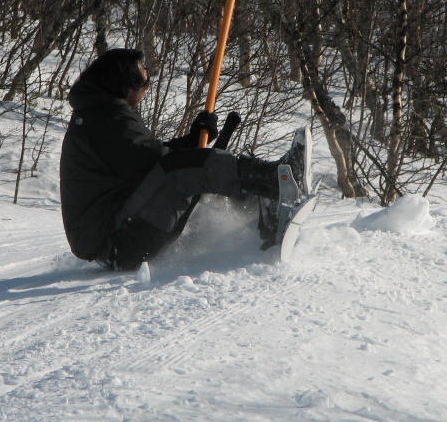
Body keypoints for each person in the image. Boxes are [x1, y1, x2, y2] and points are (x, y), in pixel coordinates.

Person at [59, 48, 304, 271]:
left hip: (116, 237)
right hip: (120, 242)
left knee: (189, 169)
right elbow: (164, 165)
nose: (147, 87)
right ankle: (274, 180)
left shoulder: (96, 114)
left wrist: (191, 140)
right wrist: (192, 151)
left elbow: (147, 162)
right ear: (125, 86)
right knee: (185, 172)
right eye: (144, 80)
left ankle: (264, 210)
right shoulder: (107, 120)